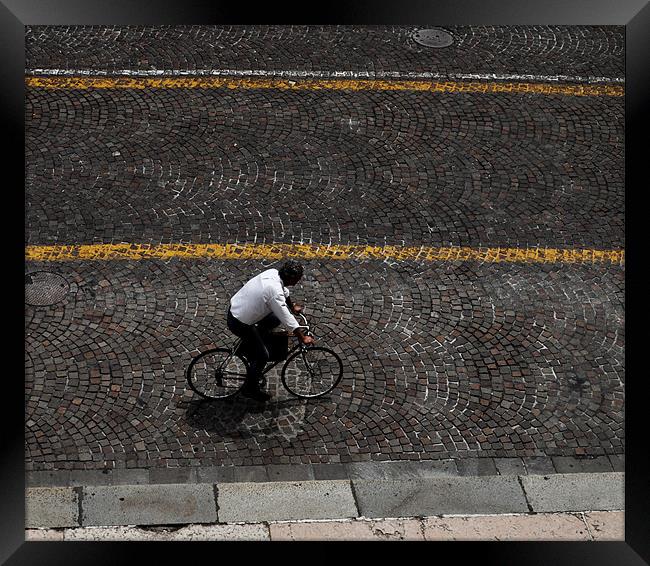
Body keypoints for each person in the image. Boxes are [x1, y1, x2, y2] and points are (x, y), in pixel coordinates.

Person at [227, 260, 315, 401]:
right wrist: (302, 337)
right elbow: (286, 316)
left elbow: (284, 293)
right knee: (263, 355)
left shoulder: (273, 273)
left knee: (274, 319)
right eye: (298, 279)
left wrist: (292, 307)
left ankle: (252, 345)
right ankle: (250, 389)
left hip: (237, 309)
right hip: (240, 322)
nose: (298, 281)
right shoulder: (274, 292)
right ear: (291, 278)